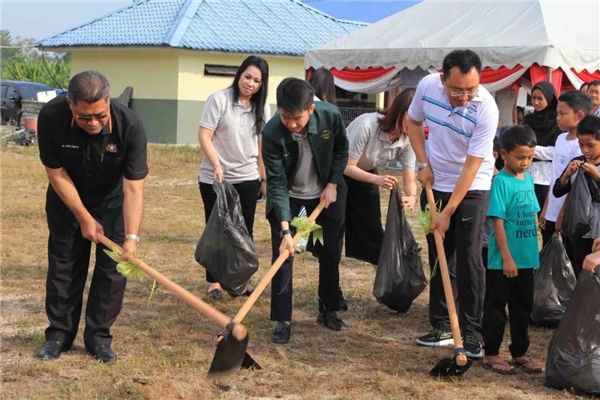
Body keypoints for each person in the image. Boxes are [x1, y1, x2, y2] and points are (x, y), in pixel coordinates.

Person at [36, 71, 148, 363]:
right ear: (70, 104)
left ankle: (98, 338)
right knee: (64, 265)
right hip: (67, 200)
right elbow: (56, 173)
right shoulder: (51, 117)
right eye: (85, 118)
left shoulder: (129, 126)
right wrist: (84, 217)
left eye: (100, 115)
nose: (94, 123)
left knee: (112, 271)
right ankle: (58, 335)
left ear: (108, 102)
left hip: (112, 202)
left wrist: (132, 238)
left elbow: (134, 188)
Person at [407, 49, 499, 358]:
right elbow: (413, 123)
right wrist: (423, 162)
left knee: (469, 257)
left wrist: (447, 212)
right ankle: (444, 324)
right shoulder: (427, 86)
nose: (464, 96)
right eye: (457, 89)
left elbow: (473, 166)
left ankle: (472, 332)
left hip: (472, 186)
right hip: (437, 179)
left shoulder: (486, 108)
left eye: (470, 89)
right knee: (439, 255)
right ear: (443, 78)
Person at [262, 77, 348, 344]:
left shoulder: (330, 116)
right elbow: (276, 183)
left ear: (311, 109)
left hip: (326, 196)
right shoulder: (272, 133)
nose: (292, 124)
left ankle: (328, 309)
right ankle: (282, 320)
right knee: (284, 256)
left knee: (330, 252)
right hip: (291, 199)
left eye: (297, 118)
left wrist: (333, 183)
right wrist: (286, 229)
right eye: (286, 117)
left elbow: (342, 150)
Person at [197, 55, 270, 300]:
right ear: (239, 75)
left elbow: (262, 146)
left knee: (243, 231)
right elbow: (205, 135)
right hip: (215, 178)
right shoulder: (219, 99)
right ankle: (214, 282)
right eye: (247, 77)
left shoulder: (263, 107)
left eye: (257, 80)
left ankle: (240, 281)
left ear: (262, 84)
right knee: (217, 229)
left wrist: (263, 178)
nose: (250, 83)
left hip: (248, 177)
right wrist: (217, 165)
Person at [481, 126, 543, 375]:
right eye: (520, 157)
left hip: (527, 260)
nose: (526, 163)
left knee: (523, 308)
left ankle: (520, 352)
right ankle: (492, 353)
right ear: (504, 154)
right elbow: (498, 222)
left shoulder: (528, 179)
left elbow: (532, 216)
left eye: (530, 157)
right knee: (497, 307)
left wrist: (533, 254)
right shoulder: (500, 183)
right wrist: (507, 257)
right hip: (503, 262)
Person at [343, 88, 417, 265]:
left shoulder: (408, 139)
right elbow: (346, 166)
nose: (416, 124)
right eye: (413, 117)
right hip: (340, 173)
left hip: (367, 173)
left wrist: (412, 196)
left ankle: (384, 284)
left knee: (373, 231)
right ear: (400, 111)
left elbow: (409, 178)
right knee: (336, 228)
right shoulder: (367, 126)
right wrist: (377, 180)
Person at [539, 90, 592, 244]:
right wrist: (546, 209)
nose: (558, 118)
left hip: (567, 216)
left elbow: (574, 185)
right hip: (551, 211)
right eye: (557, 113)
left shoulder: (582, 146)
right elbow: (555, 176)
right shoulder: (560, 138)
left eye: (563, 114)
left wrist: (562, 216)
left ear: (580, 116)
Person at [553, 115, 600, 277]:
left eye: (590, 146)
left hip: (597, 232)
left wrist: (597, 176)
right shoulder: (577, 161)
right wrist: (566, 175)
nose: (585, 150)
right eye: (581, 145)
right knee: (577, 271)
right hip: (577, 229)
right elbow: (558, 191)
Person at [522, 82, 561, 241]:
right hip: (525, 173)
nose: (536, 102)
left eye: (540, 98)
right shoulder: (528, 119)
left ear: (550, 100)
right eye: (534, 98)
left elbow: (554, 151)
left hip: (545, 177)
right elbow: (520, 141)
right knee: (523, 217)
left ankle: (546, 256)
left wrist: (531, 150)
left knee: (545, 221)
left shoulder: (557, 122)